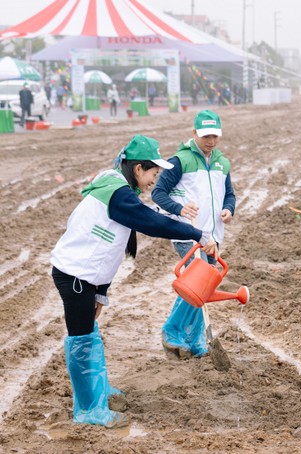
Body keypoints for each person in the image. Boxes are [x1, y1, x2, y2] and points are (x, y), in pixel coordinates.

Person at [51, 135, 214, 428]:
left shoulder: (117, 189)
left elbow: (105, 249)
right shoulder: (119, 195)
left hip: (85, 277)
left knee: (89, 334)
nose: (155, 180)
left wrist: (100, 293)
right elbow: (151, 222)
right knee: (81, 339)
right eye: (154, 173)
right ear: (138, 169)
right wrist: (196, 233)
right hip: (75, 275)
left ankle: (98, 393)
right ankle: (89, 409)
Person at [152, 110, 235, 359]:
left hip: (212, 235)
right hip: (188, 234)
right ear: (194, 133)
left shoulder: (222, 162)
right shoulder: (179, 161)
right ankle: (172, 331)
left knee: (204, 287)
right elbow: (158, 193)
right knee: (197, 284)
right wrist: (180, 209)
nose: (211, 141)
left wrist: (229, 209)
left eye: (215, 136)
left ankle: (194, 338)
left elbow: (229, 194)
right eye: (206, 136)